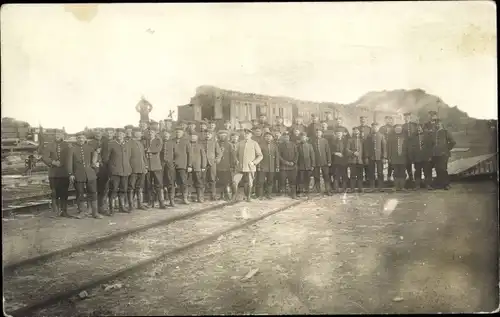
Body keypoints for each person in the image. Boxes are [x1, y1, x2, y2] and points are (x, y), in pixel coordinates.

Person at [68, 132, 102, 219]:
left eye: (83, 138)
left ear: (85, 139)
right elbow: (69, 163)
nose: (81, 139)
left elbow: (95, 160)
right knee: (80, 193)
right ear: (76, 139)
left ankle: (95, 213)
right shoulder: (72, 149)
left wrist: (95, 171)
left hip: (90, 174)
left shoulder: (90, 148)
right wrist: (71, 174)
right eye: (79, 138)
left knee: (93, 192)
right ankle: (82, 212)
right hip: (78, 174)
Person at [41, 129, 72, 217]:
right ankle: (55, 212)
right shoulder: (49, 145)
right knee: (54, 192)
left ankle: (64, 211)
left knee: (64, 192)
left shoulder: (67, 145)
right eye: (56, 134)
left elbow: (71, 156)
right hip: (53, 173)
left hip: (64, 173)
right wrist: (53, 162)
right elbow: (44, 157)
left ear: (63, 135)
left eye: (59, 134)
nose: (57, 135)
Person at [103, 128, 132, 215]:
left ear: (124, 135)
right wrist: (112, 167)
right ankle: (111, 209)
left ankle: (121, 207)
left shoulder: (127, 144)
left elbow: (129, 156)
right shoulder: (111, 144)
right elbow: (105, 159)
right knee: (113, 190)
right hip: (115, 172)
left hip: (125, 171)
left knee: (123, 189)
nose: (120, 135)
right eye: (118, 134)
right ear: (116, 135)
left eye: (121, 134)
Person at [232, 129, 263, 202]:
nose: (246, 135)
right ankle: (234, 196)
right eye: (245, 134)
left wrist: (254, 162)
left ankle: (248, 196)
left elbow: (260, 156)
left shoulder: (254, 143)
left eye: (248, 134)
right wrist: (236, 160)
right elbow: (234, 154)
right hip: (240, 167)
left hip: (250, 167)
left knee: (249, 183)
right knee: (234, 181)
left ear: (251, 135)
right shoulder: (239, 143)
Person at [144, 126, 166, 209]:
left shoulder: (158, 140)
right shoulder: (145, 141)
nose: (150, 133)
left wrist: (148, 150)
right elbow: (142, 150)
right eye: (149, 132)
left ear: (156, 132)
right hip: (148, 166)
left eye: (152, 132)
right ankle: (150, 202)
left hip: (156, 166)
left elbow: (158, 149)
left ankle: (161, 202)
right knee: (149, 185)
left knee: (159, 185)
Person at [430, 120, 455, 190]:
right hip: (435, 154)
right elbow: (431, 144)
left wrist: (446, 149)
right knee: (437, 169)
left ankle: (446, 184)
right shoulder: (433, 133)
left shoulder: (445, 132)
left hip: (443, 154)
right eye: (436, 124)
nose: (437, 125)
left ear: (441, 124)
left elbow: (453, 142)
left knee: (443, 169)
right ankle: (440, 184)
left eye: (438, 123)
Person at [128, 127, 148, 211]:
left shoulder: (140, 144)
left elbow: (143, 157)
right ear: (135, 133)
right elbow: (127, 157)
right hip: (133, 169)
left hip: (142, 169)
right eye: (139, 132)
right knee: (131, 187)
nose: (141, 134)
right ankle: (131, 205)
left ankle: (140, 204)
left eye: (141, 132)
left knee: (140, 187)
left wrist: (146, 166)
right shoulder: (129, 143)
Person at [364, 122, 387, 192]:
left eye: (376, 127)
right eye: (373, 127)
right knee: (371, 172)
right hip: (371, 157)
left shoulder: (381, 136)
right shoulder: (369, 136)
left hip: (379, 157)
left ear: (378, 128)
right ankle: (372, 187)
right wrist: (367, 157)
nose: (374, 128)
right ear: (372, 128)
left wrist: (384, 157)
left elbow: (384, 147)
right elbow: (366, 147)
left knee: (380, 172)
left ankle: (380, 187)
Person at [256, 131, 279, 200]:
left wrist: (277, 166)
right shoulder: (260, 145)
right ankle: (260, 195)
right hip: (263, 166)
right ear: (264, 138)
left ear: (272, 138)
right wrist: (259, 166)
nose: (268, 138)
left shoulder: (274, 146)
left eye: (269, 137)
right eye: (267, 136)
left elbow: (277, 156)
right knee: (261, 181)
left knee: (270, 181)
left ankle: (269, 195)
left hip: (271, 167)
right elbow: (258, 156)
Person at [201, 130, 222, 201]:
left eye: (209, 134)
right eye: (206, 134)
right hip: (202, 164)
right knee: (202, 179)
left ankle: (213, 195)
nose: (207, 135)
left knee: (212, 179)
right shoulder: (201, 142)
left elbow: (219, 153)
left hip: (212, 163)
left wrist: (217, 160)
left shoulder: (214, 143)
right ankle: (201, 196)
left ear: (212, 135)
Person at [173, 127, 192, 204]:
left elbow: (190, 154)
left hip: (182, 165)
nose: (178, 133)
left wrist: (189, 165)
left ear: (182, 133)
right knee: (172, 181)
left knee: (183, 182)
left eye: (179, 132)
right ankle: (172, 198)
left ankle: (185, 198)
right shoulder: (172, 141)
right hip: (173, 165)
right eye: (177, 132)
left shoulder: (186, 142)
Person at [411, 125, 433, 190]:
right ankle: (417, 185)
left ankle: (428, 185)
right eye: (417, 128)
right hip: (417, 158)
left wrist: (430, 156)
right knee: (417, 171)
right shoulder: (413, 138)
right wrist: (412, 157)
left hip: (425, 157)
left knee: (427, 171)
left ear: (422, 129)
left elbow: (430, 147)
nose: (418, 129)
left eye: (419, 128)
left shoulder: (427, 136)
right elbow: (411, 149)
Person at [278, 132, 299, 199]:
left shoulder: (293, 144)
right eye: (284, 137)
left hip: (292, 166)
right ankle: (282, 194)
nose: (286, 138)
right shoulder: (280, 145)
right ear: (283, 138)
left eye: (287, 137)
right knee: (282, 180)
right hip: (283, 167)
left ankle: (293, 194)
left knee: (293, 180)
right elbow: (279, 156)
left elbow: (297, 154)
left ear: (289, 137)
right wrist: (285, 162)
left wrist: (293, 162)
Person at [387, 124, 408, 191]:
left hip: (403, 157)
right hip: (394, 157)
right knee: (395, 172)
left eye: (399, 128)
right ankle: (396, 186)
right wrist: (389, 157)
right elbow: (389, 148)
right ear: (394, 129)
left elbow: (408, 147)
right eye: (397, 128)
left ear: (401, 129)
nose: (398, 130)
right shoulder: (391, 137)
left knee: (402, 172)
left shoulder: (405, 136)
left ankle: (402, 187)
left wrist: (407, 156)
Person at [311, 129, 332, 195]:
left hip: (324, 161)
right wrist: (313, 163)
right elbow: (311, 152)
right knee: (316, 176)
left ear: (321, 133)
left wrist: (329, 161)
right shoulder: (312, 141)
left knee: (326, 176)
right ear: (315, 134)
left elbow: (328, 151)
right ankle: (318, 190)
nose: (318, 134)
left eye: (319, 133)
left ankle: (328, 190)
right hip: (316, 161)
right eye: (317, 133)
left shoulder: (325, 141)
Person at [187, 134, 207, 203]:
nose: (193, 138)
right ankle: (188, 197)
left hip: (197, 167)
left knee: (198, 182)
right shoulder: (187, 145)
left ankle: (200, 197)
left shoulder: (200, 146)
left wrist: (203, 166)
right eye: (191, 136)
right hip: (188, 167)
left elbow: (203, 156)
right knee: (188, 182)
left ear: (197, 137)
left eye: (194, 137)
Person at [216, 130, 235, 200]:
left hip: (227, 166)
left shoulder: (229, 145)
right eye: (221, 135)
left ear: (226, 136)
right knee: (220, 181)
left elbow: (232, 156)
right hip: (218, 166)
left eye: (224, 135)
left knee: (227, 181)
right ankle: (221, 195)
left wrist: (232, 165)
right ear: (219, 136)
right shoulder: (216, 143)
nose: (223, 137)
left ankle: (227, 195)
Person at [402, 112, 419, 188]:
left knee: (416, 164)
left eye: (408, 117)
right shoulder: (402, 126)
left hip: (414, 148)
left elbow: (418, 135)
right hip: (406, 148)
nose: (406, 118)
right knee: (407, 164)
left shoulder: (415, 125)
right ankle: (410, 178)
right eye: (405, 117)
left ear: (410, 118)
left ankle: (417, 180)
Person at [296, 132, 315, 198]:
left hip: (308, 166)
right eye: (301, 138)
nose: (303, 139)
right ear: (300, 139)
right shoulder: (298, 146)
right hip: (300, 166)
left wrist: (312, 165)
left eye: (304, 137)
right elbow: (296, 156)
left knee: (307, 179)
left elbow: (312, 156)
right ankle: (301, 191)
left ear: (306, 138)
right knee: (301, 179)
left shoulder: (310, 146)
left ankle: (307, 191)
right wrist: (297, 165)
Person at [330, 128, 348, 193]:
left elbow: (347, 150)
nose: (339, 135)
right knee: (336, 174)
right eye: (337, 133)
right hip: (336, 161)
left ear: (342, 134)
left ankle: (344, 188)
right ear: (335, 134)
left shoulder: (345, 141)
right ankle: (336, 188)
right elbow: (330, 151)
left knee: (344, 174)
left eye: (340, 133)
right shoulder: (333, 142)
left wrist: (344, 155)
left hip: (344, 161)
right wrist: (336, 153)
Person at [347, 126, 364, 193]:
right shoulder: (349, 140)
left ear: (359, 132)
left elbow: (364, 150)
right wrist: (353, 153)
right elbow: (347, 150)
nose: (356, 132)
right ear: (353, 132)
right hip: (352, 160)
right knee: (353, 175)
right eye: (354, 131)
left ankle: (360, 188)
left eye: (357, 131)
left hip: (360, 160)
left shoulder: (362, 140)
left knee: (360, 175)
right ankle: (352, 189)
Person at [379, 116, 395, 183]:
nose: (388, 121)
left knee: (391, 163)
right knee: (382, 162)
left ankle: (389, 176)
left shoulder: (394, 128)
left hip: (391, 147)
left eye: (390, 119)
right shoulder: (382, 128)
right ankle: (381, 178)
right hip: (383, 147)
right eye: (387, 120)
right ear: (385, 120)